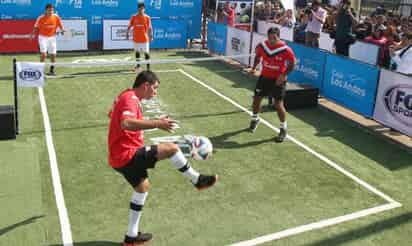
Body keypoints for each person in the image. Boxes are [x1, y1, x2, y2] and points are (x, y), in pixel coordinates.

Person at [108, 71, 218, 246]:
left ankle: (131, 237)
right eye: (155, 88)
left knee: (142, 188)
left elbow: (113, 115)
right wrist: (158, 124)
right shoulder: (129, 99)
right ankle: (197, 180)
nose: (155, 92)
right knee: (171, 149)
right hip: (126, 154)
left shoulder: (126, 96)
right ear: (146, 85)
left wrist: (149, 121)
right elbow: (126, 123)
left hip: (118, 156)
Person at [248, 27, 296, 143]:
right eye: (269, 38)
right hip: (264, 78)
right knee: (256, 99)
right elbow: (258, 57)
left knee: (278, 104)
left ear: (279, 37)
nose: (271, 40)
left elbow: (293, 63)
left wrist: (283, 75)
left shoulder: (286, 49)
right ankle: (255, 119)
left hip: (278, 80)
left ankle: (283, 128)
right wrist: (254, 68)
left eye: (274, 38)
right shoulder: (262, 46)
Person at [30, 3, 64, 76]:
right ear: (46, 10)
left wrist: (62, 30)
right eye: (49, 10)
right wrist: (32, 35)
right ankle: (40, 70)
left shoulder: (56, 17)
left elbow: (60, 25)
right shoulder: (40, 18)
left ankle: (52, 71)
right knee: (44, 54)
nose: (51, 12)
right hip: (43, 37)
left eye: (52, 10)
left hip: (52, 37)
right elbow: (36, 27)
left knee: (53, 55)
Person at [126, 3, 153, 71]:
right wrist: (127, 33)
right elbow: (129, 26)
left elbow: (150, 28)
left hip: (144, 40)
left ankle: (148, 68)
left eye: (142, 8)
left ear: (144, 9)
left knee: (146, 53)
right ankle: (138, 66)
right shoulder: (134, 17)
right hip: (136, 40)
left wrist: (151, 36)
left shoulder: (147, 17)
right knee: (137, 53)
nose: (141, 10)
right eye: (140, 8)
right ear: (138, 9)